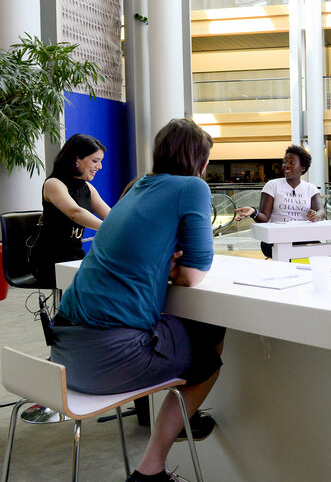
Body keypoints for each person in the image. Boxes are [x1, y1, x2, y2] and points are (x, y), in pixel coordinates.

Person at [50, 118, 224, 482]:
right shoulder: (193, 187)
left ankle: (181, 420)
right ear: (201, 162)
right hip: (109, 359)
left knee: (188, 334)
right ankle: (152, 468)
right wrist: (175, 266)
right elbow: (193, 275)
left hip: (64, 356)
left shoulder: (136, 187)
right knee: (208, 350)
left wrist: (164, 262)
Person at [30, 134, 111, 288]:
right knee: (99, 284)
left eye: (100, 162)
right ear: (76, 159)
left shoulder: (87, 188)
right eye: (95, 161)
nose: (99, 167)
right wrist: (108, 228)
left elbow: (111, 216)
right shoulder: (54, 184)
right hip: (50, 260)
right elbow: (75, 212)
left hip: (74, 257)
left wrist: (126, 227)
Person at [235, 144, 325, 258]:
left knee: (318, 251)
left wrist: (316, 215)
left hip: (302, 237)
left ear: (302, 167)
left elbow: (321, 211)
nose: (286, 165)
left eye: (292, 163)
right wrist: (254, 212)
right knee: (291, 252)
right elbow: (264, 218)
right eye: (285, 162)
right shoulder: (272, 185)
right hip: (276, 238)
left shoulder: (310, 188)